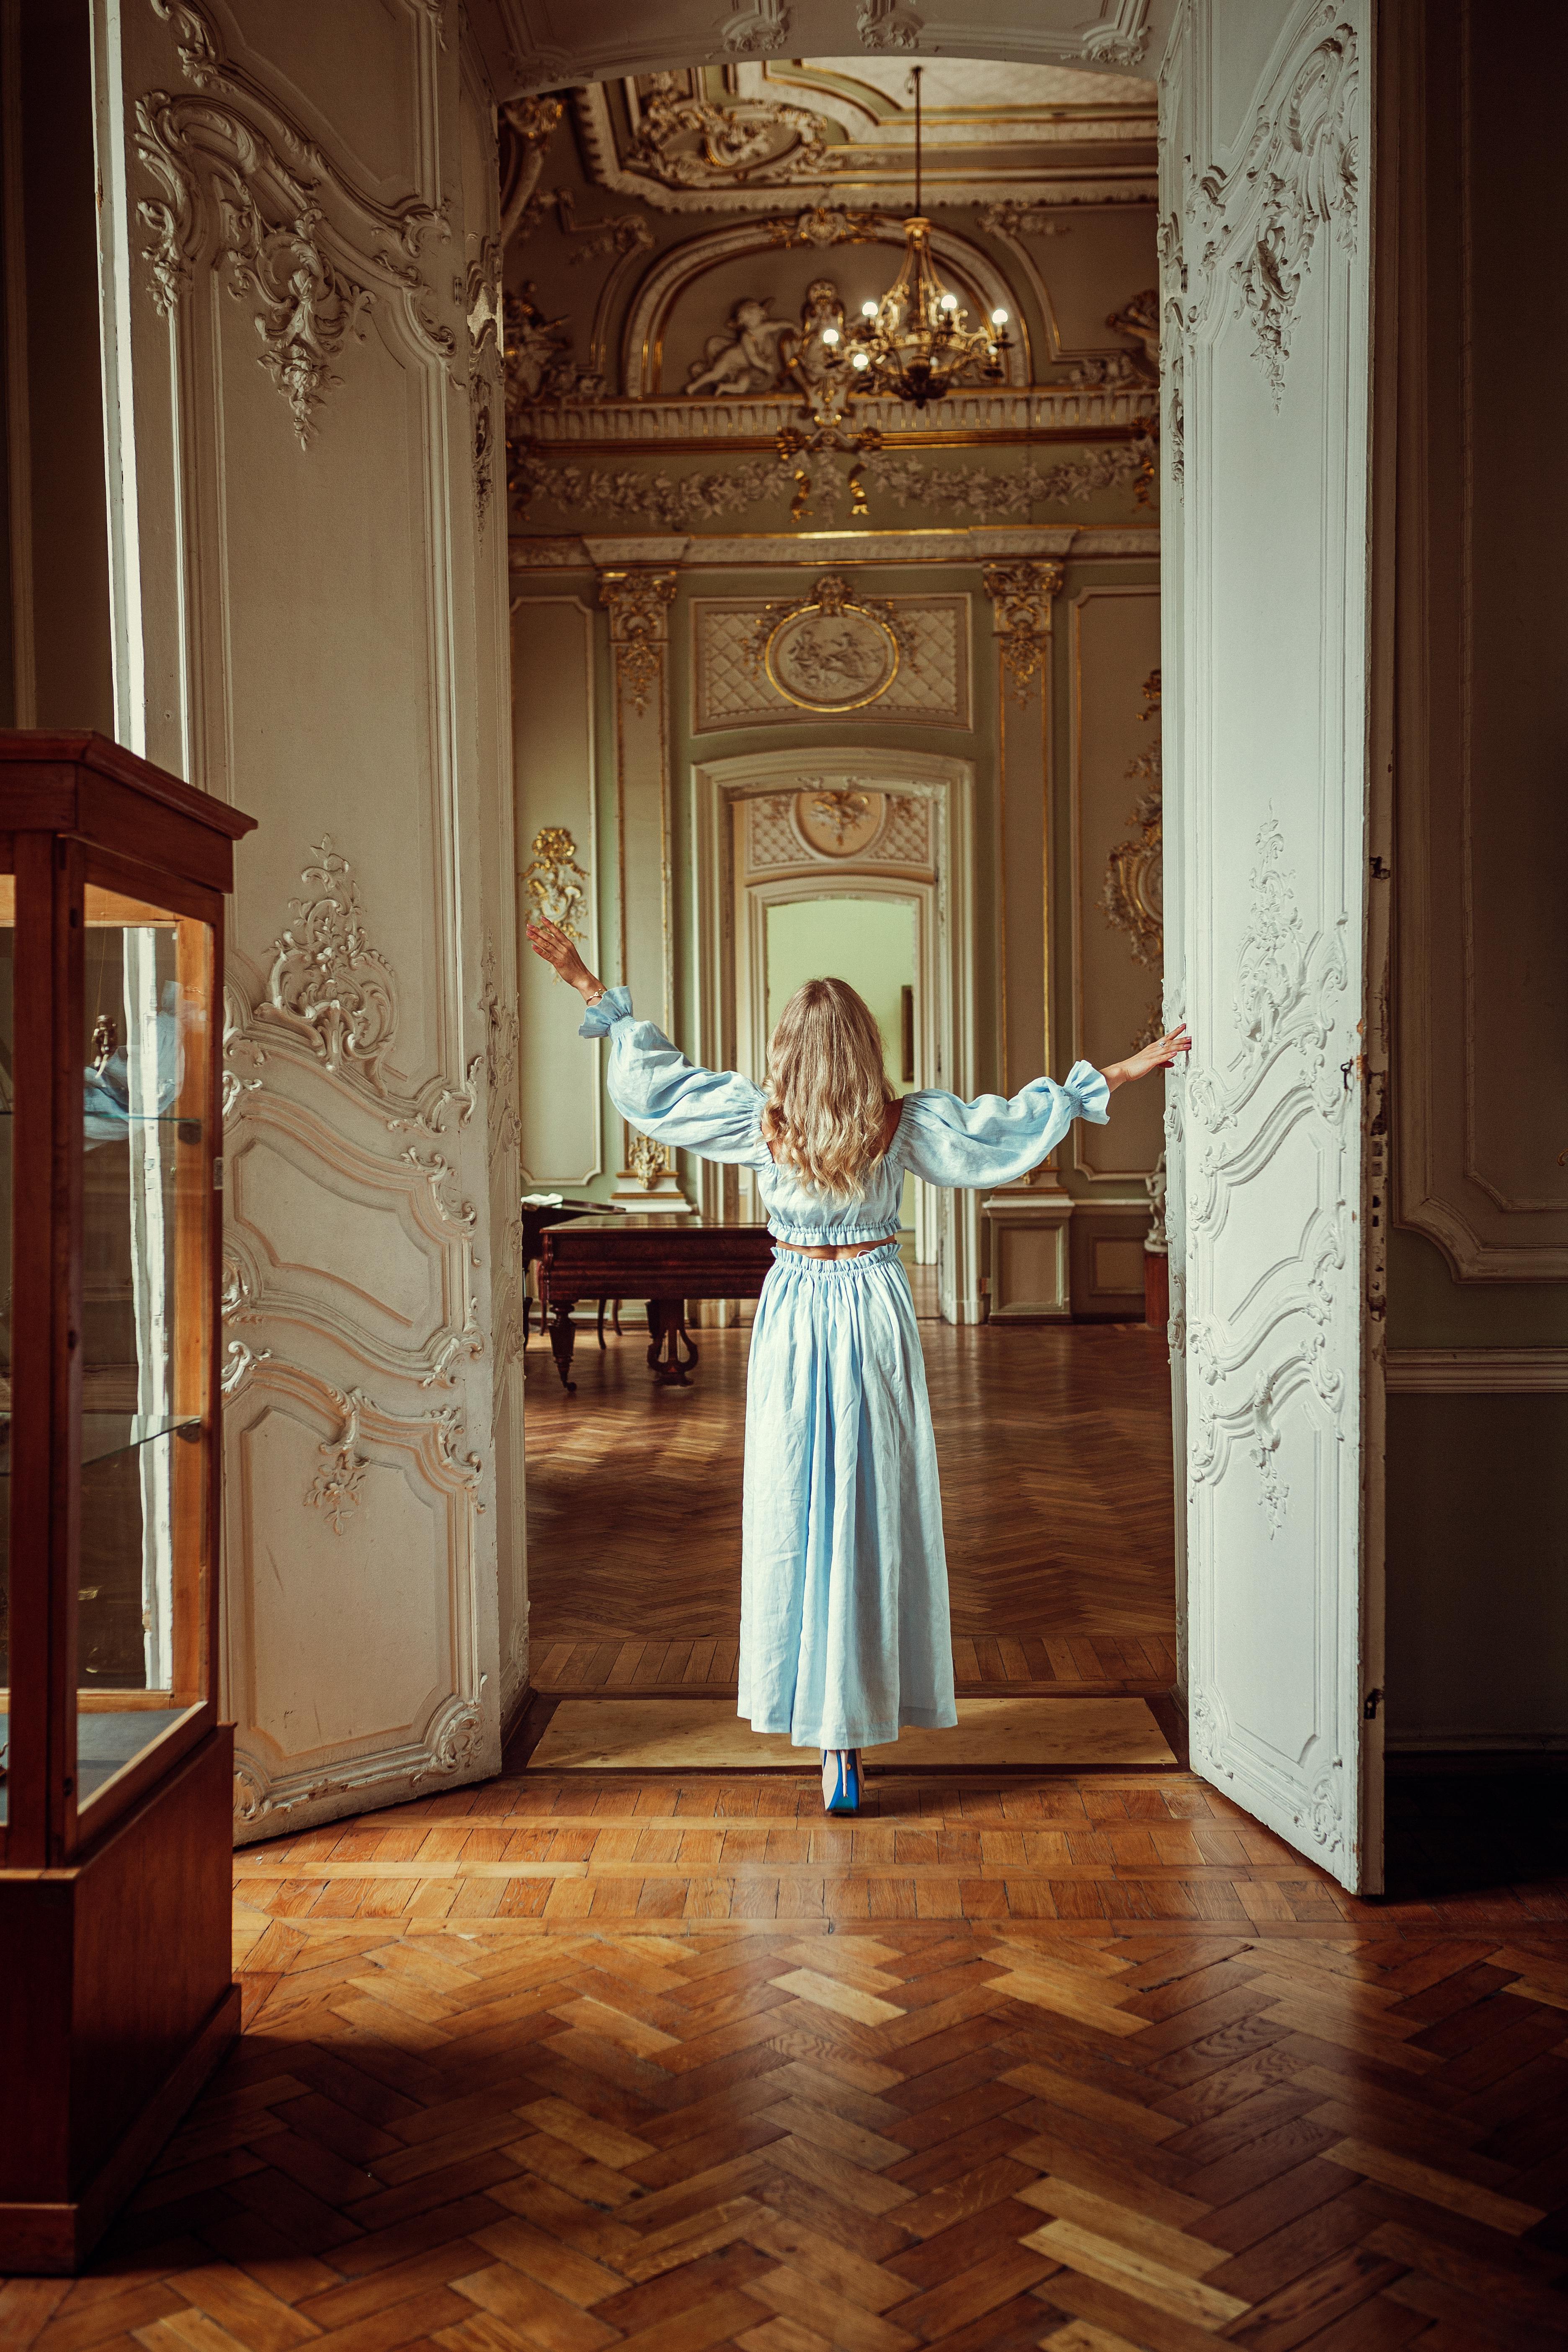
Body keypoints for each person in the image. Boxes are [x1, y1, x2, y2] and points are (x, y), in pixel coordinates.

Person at [526, 916, 1189, 1815]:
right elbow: (1008, 1127)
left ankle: (825, 1730)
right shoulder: (900, 1123)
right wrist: (1124, 1070)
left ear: (789, 1052)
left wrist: (586, 983)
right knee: (873, 1505)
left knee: (795, 1504)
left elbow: (657, 1086)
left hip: (797, 1310)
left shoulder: (760, 1120)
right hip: (873, 1305)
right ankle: (856, 1724)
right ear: (864, 1047)